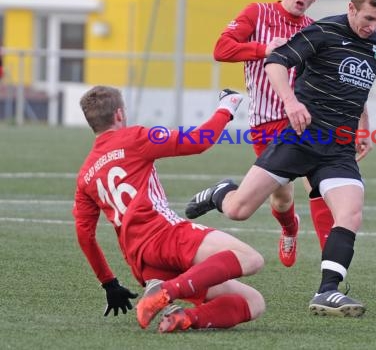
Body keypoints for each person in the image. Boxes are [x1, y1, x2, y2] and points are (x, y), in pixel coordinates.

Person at [186, 0, 376, 317]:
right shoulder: (323, 31)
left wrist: (363, 128)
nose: (373, 26)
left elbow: (358, 90)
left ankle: (328, 291)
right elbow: (276, 62)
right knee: (239, 210)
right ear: (351, 8)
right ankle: (222, 192)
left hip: (338, 147)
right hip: (300, 137)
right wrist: (291, 102)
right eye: (368, 18)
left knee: (351, 212)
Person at [72, 86, 265, 333]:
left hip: (141, 261)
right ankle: (167, 291)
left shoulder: (85, 175)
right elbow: (198, 141)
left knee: (254, 302)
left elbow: (84, 236)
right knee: (251, 259)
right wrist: (227, 107)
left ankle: (184, 317)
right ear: (119, 114)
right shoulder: (135, 137)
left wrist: (109, 283)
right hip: (164, 236)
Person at [212, 0, 334, 265]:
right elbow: (221, 49)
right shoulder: (257, 13)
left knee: (320, 186)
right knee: (281, 197)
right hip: (266, 123)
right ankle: (290, 228)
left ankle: (332, 269)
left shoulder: (313, 29)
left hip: (305, 119)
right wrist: (266, 49)